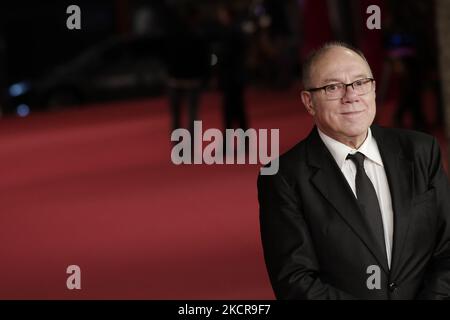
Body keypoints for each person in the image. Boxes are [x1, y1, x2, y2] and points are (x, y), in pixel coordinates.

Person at [257, 42, 450, 300]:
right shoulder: (282, 177)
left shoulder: (421, 151)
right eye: (333, 87)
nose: (351, 96)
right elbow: (295, 281)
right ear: (309, 102)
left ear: (372, 88)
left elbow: (447, 249)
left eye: (361, 83)